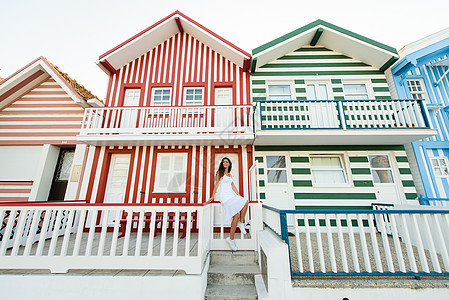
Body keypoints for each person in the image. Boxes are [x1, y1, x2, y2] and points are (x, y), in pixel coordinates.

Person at [208, 157, 249, 251]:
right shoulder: (220, 173)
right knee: (236, 216)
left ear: (229, 164)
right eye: (224, 162)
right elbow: (216, 185)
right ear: (222, 164)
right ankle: (232, 238)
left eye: (227, 162)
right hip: (225, 197)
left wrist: (239, 196)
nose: (225, 163)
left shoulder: (230, 175)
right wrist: (212, 196)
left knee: (246, 202)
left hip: (231, 195)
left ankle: (241, 224)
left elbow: (233, 186)